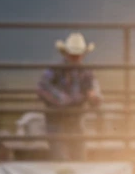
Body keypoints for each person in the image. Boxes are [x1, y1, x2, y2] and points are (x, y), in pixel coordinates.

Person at [37, 32, 102, 160]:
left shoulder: (86, 72)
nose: (76, 58)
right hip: (56, 119)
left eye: (78, 56)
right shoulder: (55, 69)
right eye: (73, 55)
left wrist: (93, 96)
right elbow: (42, 87)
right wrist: (61, 99)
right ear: (66, 54)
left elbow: (93, 91)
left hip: (74, 120)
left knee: (79, 156)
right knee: (60, 158)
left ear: (82, 55)